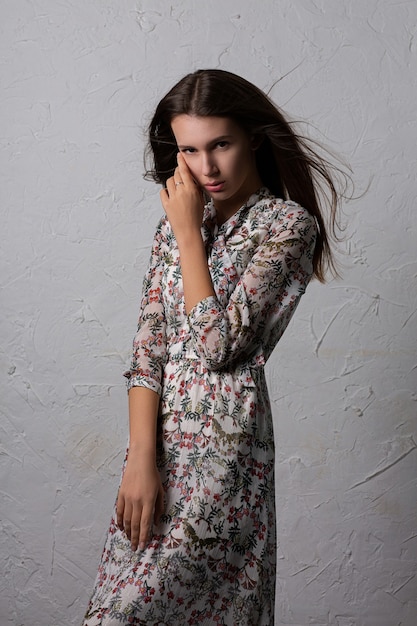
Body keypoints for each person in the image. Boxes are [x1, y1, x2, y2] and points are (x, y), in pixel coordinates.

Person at [83, 69, 343, 625]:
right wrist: (140, 457)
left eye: (220, 144)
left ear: (251, 136)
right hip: (155, 455)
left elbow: (218, 345)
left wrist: (187, 237)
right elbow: (147, 349)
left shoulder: (286, 226)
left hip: (226, 458)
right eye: (190, 150)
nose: (207, 167)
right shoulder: (172, 228)